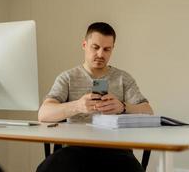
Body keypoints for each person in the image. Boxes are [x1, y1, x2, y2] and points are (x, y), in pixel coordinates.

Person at [36, 22, 154, 172]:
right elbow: (43, 113)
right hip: (74, 150)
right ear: (84, 45)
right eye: (95, 47)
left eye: (107, 49)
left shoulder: (123, 79)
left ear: (112, 49)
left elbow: (148, 111)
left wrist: (123, 107)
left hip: (117, 151)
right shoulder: (68, 78)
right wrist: (77, 106)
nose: (100, 54)